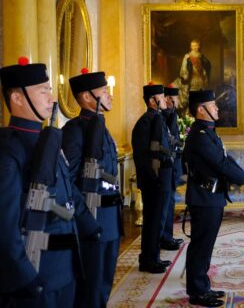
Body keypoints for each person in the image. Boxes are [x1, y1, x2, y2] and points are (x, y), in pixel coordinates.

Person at [0, 57, 100, 308]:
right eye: (43, 91)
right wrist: (24, 277)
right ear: (17, 98)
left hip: (64, 268)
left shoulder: (47, 140)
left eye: (50, 91)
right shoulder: (9, 151)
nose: (51, 99)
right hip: (35, 276)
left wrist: (89, 224)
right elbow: (4, 226)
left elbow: (67, 190)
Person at [184, 90, 244, 307]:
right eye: (212, 105)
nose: (217, 108)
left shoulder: (208, 131)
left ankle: (202, 286)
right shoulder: (199, 136)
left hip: (211, 196)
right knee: (201, 246)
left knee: (205, 245)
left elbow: (225, 158)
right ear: (201, 109)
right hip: (204, 197)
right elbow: (220, 164)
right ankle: (198, 292)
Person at [62, 68, 123, 307]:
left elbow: (104, 173)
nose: (109, 96)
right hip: (92, 219)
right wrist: (85, 221)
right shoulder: (75, 131)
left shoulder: (100, 126)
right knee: (91, 289)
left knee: (103, 285)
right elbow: (68, 181)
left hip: (110, 219)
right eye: (104, 91)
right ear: (87, 97)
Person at [131, 83, 174, 273]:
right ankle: (147, 260)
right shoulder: (144, 122)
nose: (165, 99)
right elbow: (143, 157)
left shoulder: (158, 119)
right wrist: (154, 179)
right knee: (152, 220)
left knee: (159, 219)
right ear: (151, 101)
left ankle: (153, 256)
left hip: (162, 178)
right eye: (161, 96)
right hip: (154, 181)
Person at [160, 85, 184, 249]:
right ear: (167, 99)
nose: (177, 103)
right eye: (174, 100)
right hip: (164, 168)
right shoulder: (160, 117)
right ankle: (163, 238)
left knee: (170, 205)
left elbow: (174, 137)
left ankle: (168, 236)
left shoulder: (172, 115)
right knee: (164, 207)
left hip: (173, 167)